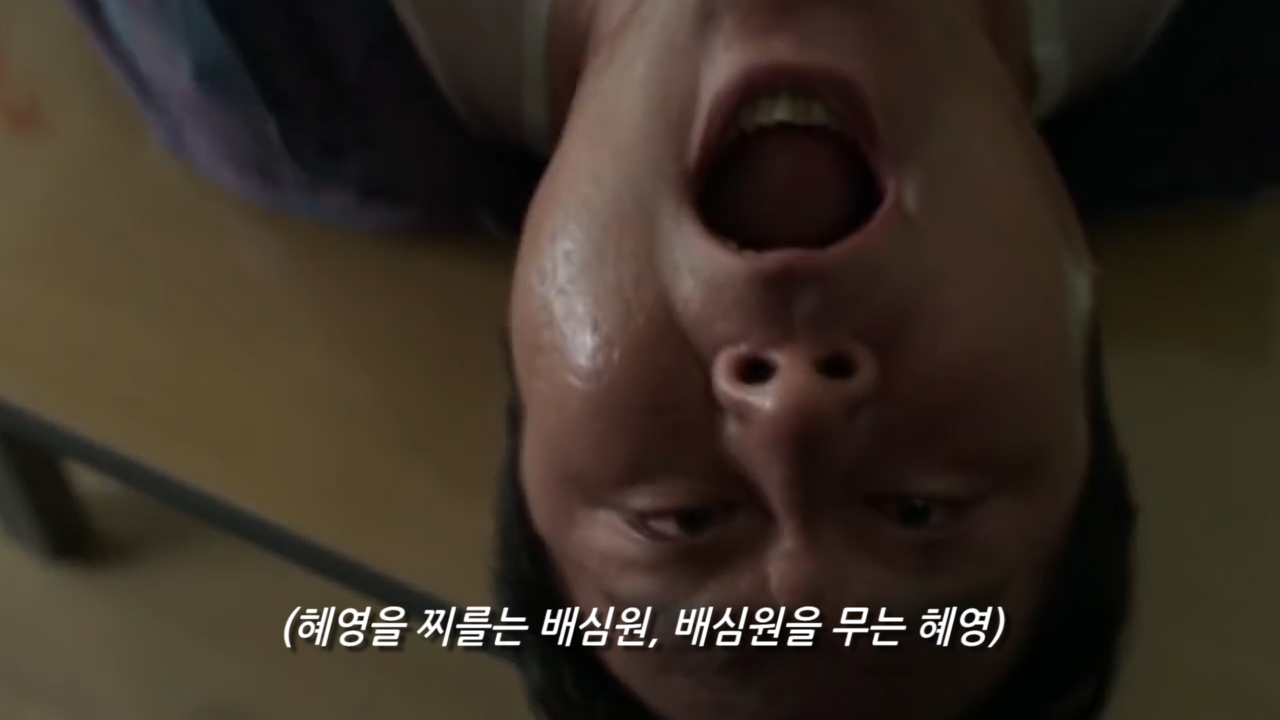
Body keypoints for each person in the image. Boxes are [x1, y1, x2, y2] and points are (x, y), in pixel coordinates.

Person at [71, 0, 1277, 718]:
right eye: (917, 510)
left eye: (685, 520)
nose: (791, 413)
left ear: (525, 365)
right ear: (1075, 310)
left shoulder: (254, 46)